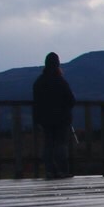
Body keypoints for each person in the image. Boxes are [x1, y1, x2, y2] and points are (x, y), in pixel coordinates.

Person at [32, 51, 76, 179]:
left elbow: (36, 103)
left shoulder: (39, 82)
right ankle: (63, 170)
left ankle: (50, 171)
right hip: (62, 119)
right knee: (60, 145)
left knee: (48, 144)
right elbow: (71, 100)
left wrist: (37, 119)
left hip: (45, 119)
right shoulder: (61, 81)